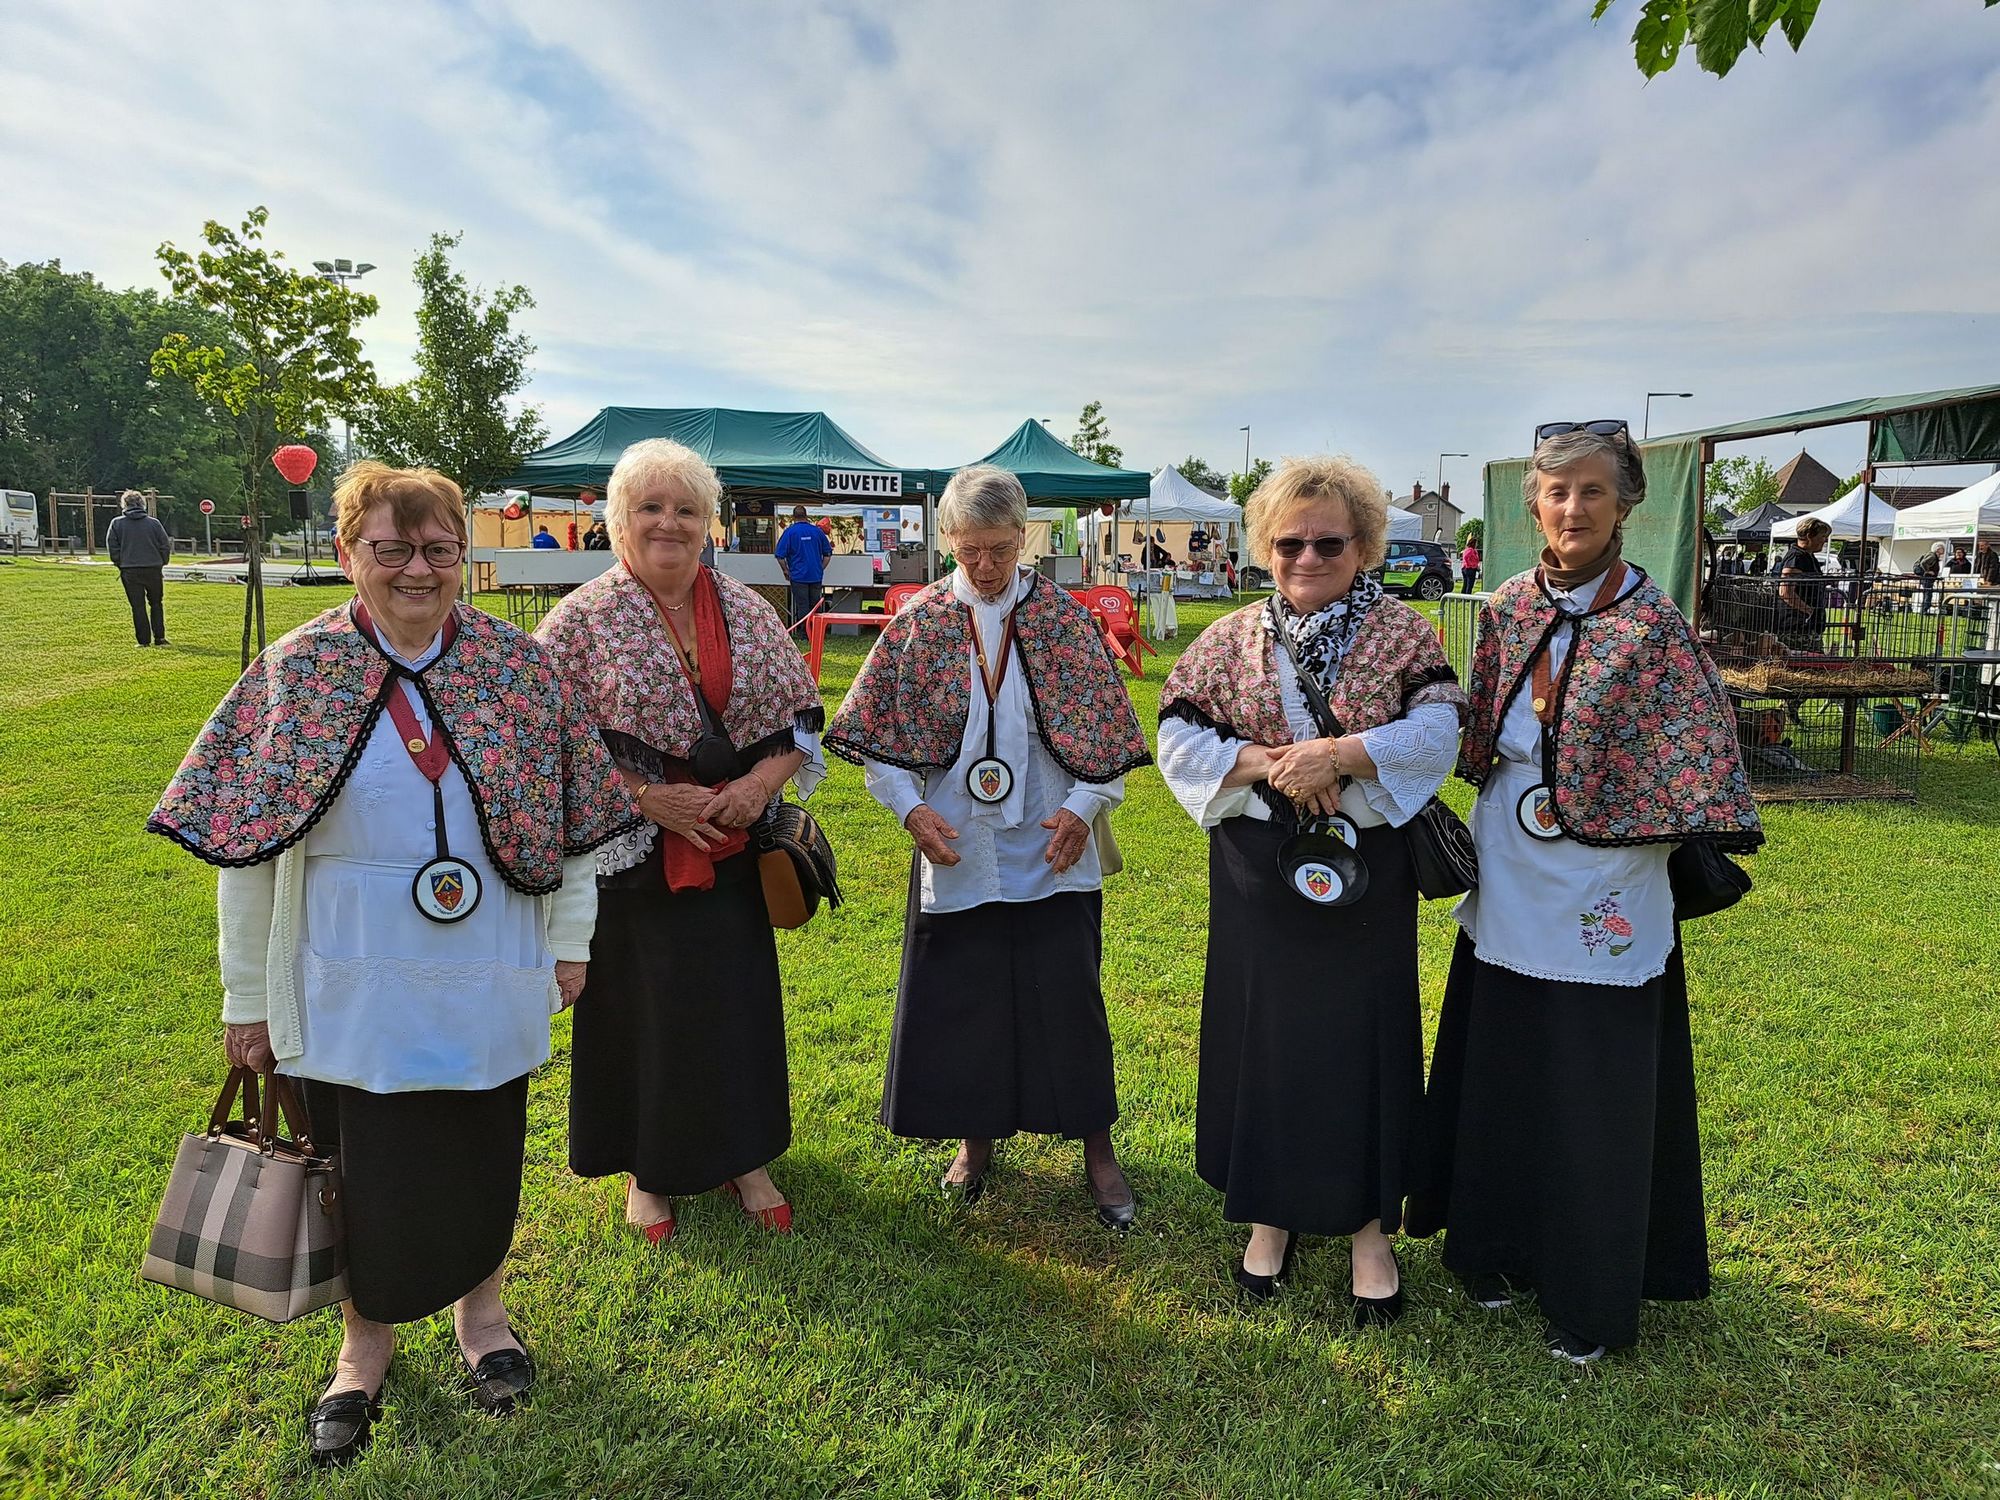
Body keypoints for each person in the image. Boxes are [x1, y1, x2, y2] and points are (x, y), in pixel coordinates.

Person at [147, 462, 634, 1464]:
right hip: (349, 981)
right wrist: (247, 999)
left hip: (488, 968)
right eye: (391, 550)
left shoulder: (518, 669)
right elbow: (247, 853)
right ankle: (360, 1351)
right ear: (346, 555)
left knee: (483, 1147)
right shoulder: (299, 671)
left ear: (465, 554)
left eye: (438, 549)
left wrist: (572, 942)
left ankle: (481, 1320)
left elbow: (576, 828)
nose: (417, 570)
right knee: (355, 1167)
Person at [1406, 421, 1763, 1364]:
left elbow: (1698, 752)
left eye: (1591, 493)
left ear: (1626, 505)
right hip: (1513, 863)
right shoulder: (1510, 605)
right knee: (1504, 1058)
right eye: (1556, 492)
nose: (1571, 509)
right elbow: (1481, 724)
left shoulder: (1654, 625)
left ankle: (1588, 1287)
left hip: (1608, 869)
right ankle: (1493, 1249)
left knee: (1591, 1082)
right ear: (1533, 502)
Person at [1156, 456, 1466, 1317]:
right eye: (1289, 542)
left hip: (1369, 870)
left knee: (1365, 1040)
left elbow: (1440, 726)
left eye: (1328, 542)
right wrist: (1279, 765)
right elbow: (1177, 735)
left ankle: (1370, 1229)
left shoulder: (1404, 632)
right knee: (1267, 1038)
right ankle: (1271, 1218)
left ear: (1364, 544)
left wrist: (1346, 754)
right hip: (1261, 868)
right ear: (1264, 545)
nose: (1306, 557)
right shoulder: (1228, 638)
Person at [826, 465, 1152, 1226]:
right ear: (947, 541)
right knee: (965, 993)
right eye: (970, 550)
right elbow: (880, 741)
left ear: (1024, 538)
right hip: (955, 837)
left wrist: (1082, 807)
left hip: (1050, 833)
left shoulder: (1065, 620)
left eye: (1001, 550)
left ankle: (1097, 1150)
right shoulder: (920, 623)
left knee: (1068, 996)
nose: (984, 567)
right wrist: (908, 811)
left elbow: (1106, 733)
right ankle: (977, 1141)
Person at [536, 439, 825, 1245]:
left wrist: (759, 785)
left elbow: (800, 720)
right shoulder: (579, 621)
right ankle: (646, 1170)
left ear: (710, 523)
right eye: (650, 507)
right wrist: (643, 796)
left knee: (734, 1007)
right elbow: (547, 743)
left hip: (730, 851)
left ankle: (746, 1157)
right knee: (641, 1011)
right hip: (632, 856)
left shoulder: (746, 608)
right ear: (618, 520)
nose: (669, 522)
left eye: (686, 508)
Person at [105, 489, 173, 647]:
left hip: (130, 569)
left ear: (124, 504)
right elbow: (164, 545)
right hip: (153, 568)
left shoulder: (117, 523)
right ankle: (160, 638)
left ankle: (143, 641)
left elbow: (112, 547)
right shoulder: (154, 523)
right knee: (156, 603)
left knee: (138, 606)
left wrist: (120, 563)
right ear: (143, 504)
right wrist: (161, 562)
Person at [774, 504, 834, 632]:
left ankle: (803, 632)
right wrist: (820, 568)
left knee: (802, 605)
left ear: (793, 517)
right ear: (806, 516)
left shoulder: (789, 532)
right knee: (815, 605)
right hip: (815, 575)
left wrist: (786, 570)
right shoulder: (817, 532)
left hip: (797, 576)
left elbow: (779, 556)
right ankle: (816, 631)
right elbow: (828, 554)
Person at [1777, 516, 1833, 646]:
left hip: (1808, 626)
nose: (1825, 540)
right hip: (1797, 628)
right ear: (1809, 536)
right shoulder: (1796, 558)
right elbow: (1785, 592)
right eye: (1822, 536)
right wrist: (1810, 611)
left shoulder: (1808, 556)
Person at [1916, 541, 1945, 614]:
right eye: (1942, 548)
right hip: (1927, 578)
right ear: (1938, 549)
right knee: (1928, 593)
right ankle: (1925, 609)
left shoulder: (1934, 556)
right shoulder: (1932, 556)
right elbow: (1923, 563)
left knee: (1927, 593)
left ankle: (1925, 609)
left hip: (1928, 578)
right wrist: (1928, 571)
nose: (1943, 550)